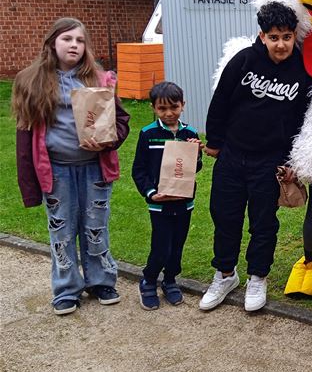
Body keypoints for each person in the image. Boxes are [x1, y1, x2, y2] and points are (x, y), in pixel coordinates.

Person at [199, 2, 312, 312]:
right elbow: (220, 101)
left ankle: (257, 277)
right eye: (274, 37)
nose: (281, 44)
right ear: (262, 35)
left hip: (270, 161)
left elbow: (304, 120)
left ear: (294, 37)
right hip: (233, 155)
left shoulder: (303, 70)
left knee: (263, 223)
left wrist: (293, 161)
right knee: (225, 217)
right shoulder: (243, 61)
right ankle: (225, 274)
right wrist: (215, 141)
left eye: (287, 37)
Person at [13, 17, 130, 315]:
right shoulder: (32, 82)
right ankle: (66, 288)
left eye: (79, 40)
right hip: (56, 171)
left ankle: (101, 281)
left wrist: (108, 142)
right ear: (53, 43)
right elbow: (24, 137)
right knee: (62, 232)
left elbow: (121, 122)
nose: (74, 45)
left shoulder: (100, 80)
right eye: (67, 39)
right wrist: (29, 188)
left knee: (95, 228)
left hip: (95, 170)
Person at [131, 81, 203, 310]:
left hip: (184, 202)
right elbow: (138, 170)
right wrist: (151, 193)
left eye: (174, 107)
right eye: (162, 109)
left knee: (178, 245)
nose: (169, 113)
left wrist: (195, 154)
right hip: (159, 204)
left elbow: (194, 168)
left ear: (183, 105)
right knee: (162, 246)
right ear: (154, 108)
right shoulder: (148, 134)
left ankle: (170, 280)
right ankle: (149, 280)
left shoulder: (189, 133)